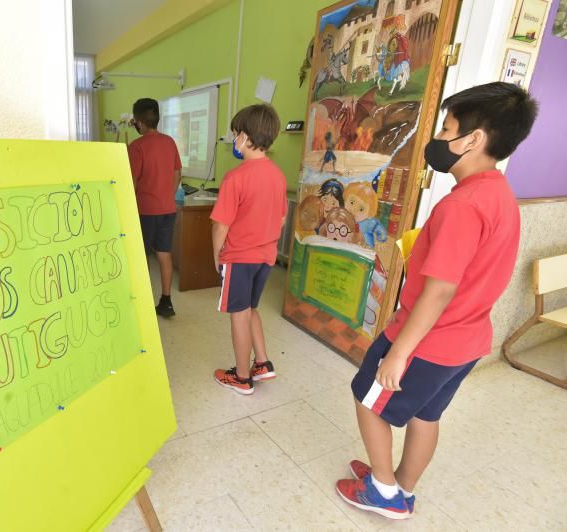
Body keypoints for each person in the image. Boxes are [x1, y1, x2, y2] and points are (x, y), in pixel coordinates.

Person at [336, 82, 538, 520]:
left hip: (427, 341)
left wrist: (400, 353)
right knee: (426, 416)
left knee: (367, 399)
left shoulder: (462, 205)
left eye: (447, 127)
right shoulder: (499, 194)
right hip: (466, 342)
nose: (440, 137)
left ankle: (383, 491)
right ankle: (402, 487)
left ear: (474, 139)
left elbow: (440, 289)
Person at [211, 104, 286, 395]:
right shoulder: (278, 175)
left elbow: (220, 226)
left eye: (234, 135)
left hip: (239, 257)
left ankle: (242, 377)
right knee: (251, 308)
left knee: (239, 314)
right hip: (266, 257)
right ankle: (263, 363)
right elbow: (281, 218)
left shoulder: (236, 177)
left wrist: (217, 256)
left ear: (243, 136)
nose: (234, 141)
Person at [127, 98, 183, 317]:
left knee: (141, 256)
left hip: (145, 211)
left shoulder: (136, 147)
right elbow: (177, 174)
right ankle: (166, 301)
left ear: (139, 122)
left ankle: (141, 303)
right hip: (167, 209)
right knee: (163, 253)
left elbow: (131, 181)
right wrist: (167, 196)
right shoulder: (169, 142)